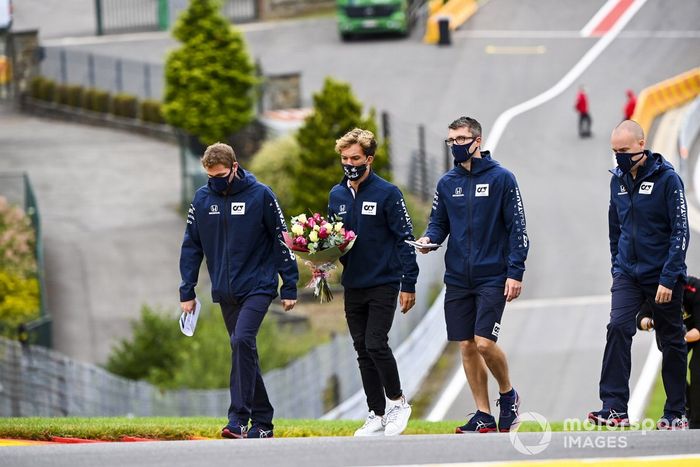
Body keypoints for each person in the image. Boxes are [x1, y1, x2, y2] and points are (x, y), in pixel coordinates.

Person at [416, 116, 529, 433]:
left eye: (462, 139)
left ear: (477, 141)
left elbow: (518, 229)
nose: (456, 146)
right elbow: (439, 223)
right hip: (457, 278)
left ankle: (508, 394)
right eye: (451, 141)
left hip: (493, 275)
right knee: (465, 345)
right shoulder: (446, 183)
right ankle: (483, 413)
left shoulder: (502, 179)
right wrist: (429, 240)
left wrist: (515, 272)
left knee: (483, 343)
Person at [179, 142, 298, 439]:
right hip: (224, 289)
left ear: (234, 167)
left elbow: (282, 240)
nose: (214, 181)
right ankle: (264, 423)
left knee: (243, 340)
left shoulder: (261, 195)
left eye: (220, 175)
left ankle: (237, 419)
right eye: (210, 176)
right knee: (243, 349)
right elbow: (191, 245)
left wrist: (289, 285)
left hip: (258, 285)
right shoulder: (202, 199)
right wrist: (187, 290)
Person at [589, 120, 689, 430]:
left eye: (624, 150)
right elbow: (613, 228)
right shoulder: (616, 180)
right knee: (617, 327)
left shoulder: (668, 180)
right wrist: (616, 266)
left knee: (671, 341)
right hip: (627, 274)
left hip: (663, 275)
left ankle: (675, 413)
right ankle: (614, 408)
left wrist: (668, 278)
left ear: (641, 145)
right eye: (614, 151)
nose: (619, 156)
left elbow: (681, 232)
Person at [327, 128, 419, 437]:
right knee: (361, 349)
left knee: (375, 342)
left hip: (385, 281)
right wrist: (320, 263)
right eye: (344, 158)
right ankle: (376, 412)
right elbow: (334, 240)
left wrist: (409, 282)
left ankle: (398, 403)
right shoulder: (336, 195)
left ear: (370, 158)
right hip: (354, 283)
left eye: (355, 158)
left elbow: (405, 239)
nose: (350, 163)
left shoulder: (388, 193)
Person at [637, 275, 700, 429]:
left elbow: (698, 331)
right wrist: (652, 322)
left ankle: (697, 422)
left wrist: (678, 337)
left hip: (694, 331)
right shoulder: (658, 292)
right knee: (673, 372)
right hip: (672, 335)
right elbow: (640, 320)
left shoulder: (695, 289)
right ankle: (686, 407)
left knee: (697, 370)